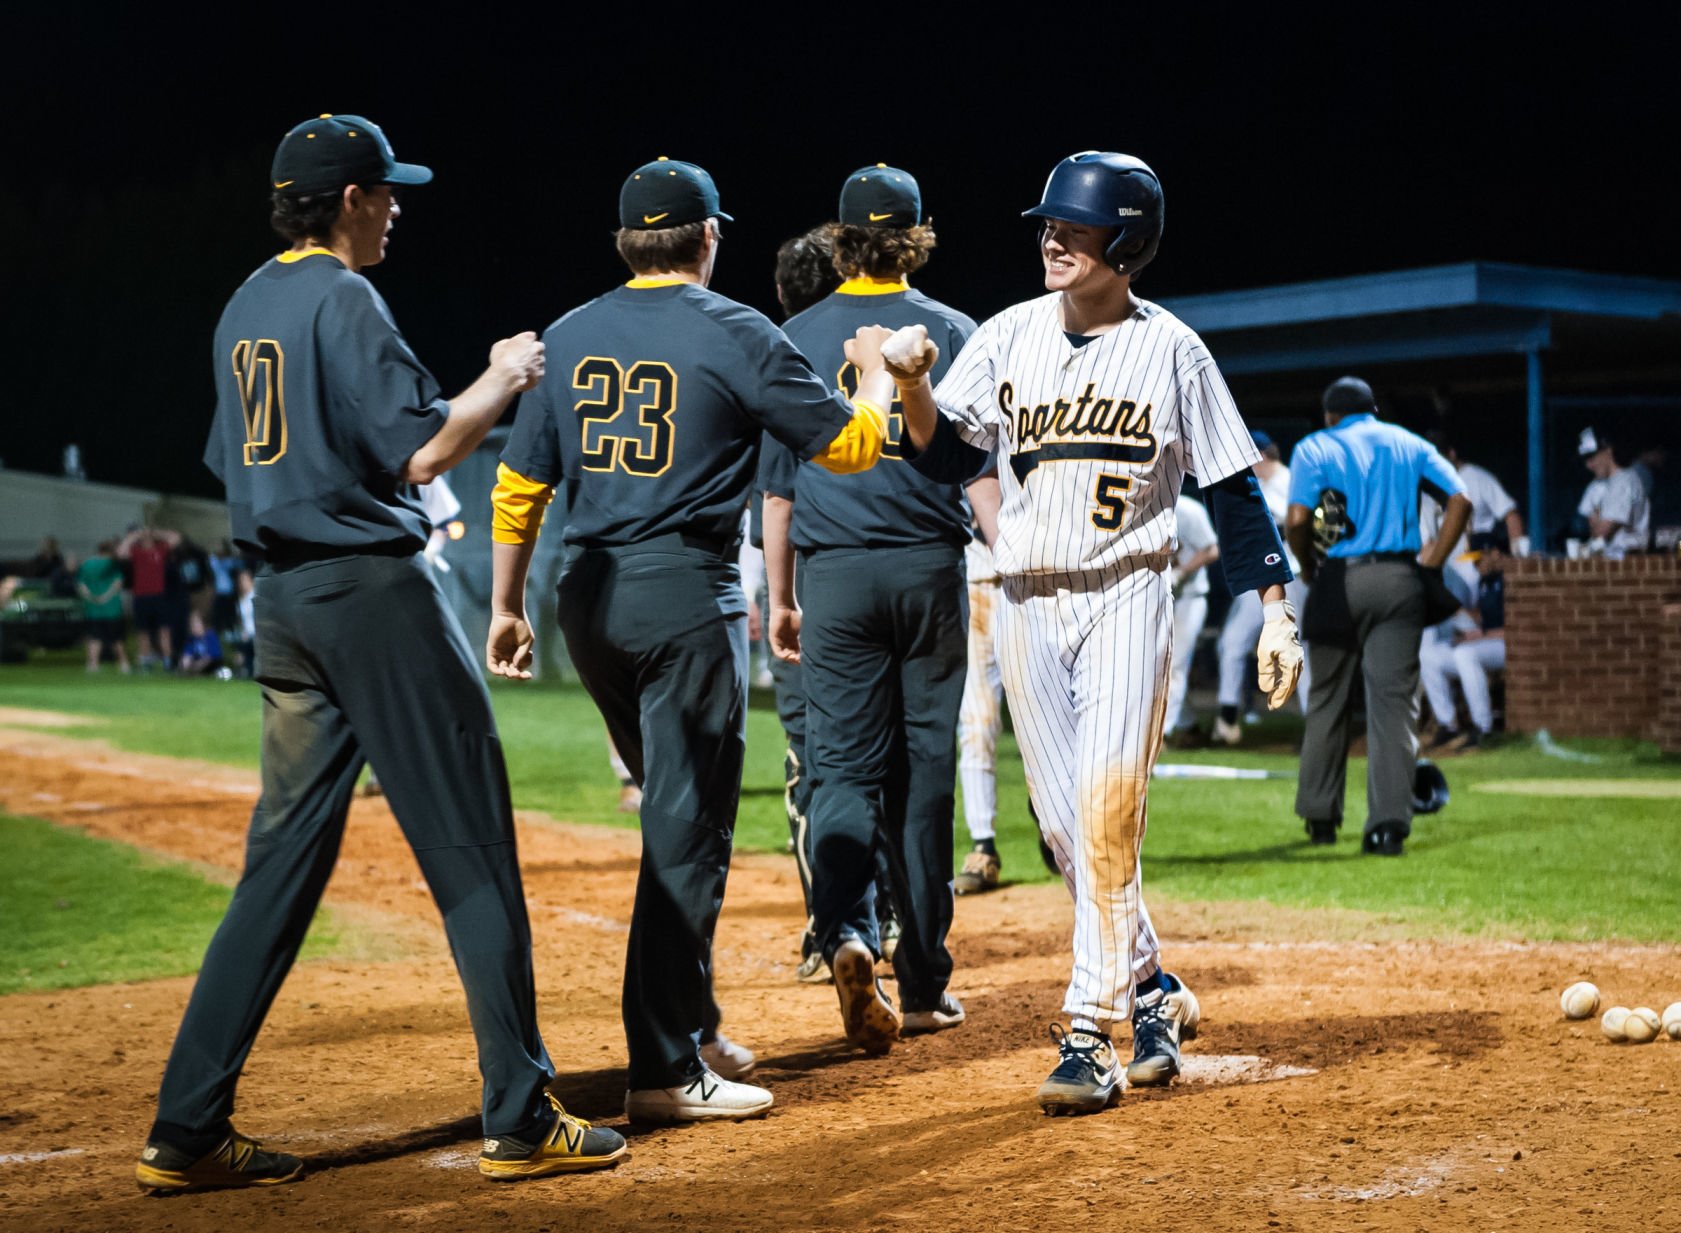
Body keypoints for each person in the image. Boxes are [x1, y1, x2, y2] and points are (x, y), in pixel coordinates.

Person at [136, 113, 625, 1195]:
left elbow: (240, 459)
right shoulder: (340, 295)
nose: (396, 206)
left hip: (287, 606)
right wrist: (502, 374)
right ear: (347, 199)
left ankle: (187, 1128)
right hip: (370, 594)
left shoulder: (244, 303)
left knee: (277, 871)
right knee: (471, 848)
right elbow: (423, 449)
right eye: (385, 191)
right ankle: (520, 1113)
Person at [888, 151, 1303, 1113]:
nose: (1051, 239)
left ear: (1126, 243)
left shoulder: (1171, 349)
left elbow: (1235, 489)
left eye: (1071, 228)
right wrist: (911, 387)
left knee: (1108, 812)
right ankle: (1154, 991)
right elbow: (948, 454)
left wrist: (1273, 610)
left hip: (1127, 593)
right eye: (1048, 225)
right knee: (1067, 832)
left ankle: (1088, 1033)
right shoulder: (1006, 335)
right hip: (1027, 596)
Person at [487, 157, 895, 1123]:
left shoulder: (571, 332)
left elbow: (518, 487)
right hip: (681, 594)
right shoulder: (735, 329)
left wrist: (506, 606)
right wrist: (875, 374)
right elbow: (848, 446)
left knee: (672, 815)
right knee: (689, 829)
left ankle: (694, 1020)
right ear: (707, 238)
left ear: (628, 243)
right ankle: (664, 1068)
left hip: (584, 598)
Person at [761, 164, 982, 1051]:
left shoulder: (794, 334)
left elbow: (777, 490)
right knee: (926, 778)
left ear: (840, 238)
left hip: (834, 571)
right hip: (929, 566)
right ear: (917, 233)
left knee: (842, 770)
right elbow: (975, 463)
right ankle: (923, 978)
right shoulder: (959, 331)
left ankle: (844, 932)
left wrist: (780, 598)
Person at [1285, 376, 1472, 857]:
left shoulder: (1315, 446)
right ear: (1372, 410)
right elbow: (1461, 500)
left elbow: (1299, 521)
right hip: (1400, 578)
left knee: (1328, 699)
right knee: (1394, 706)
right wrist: (1432, 563)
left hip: (1338, 578)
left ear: (1330, 414)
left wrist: (1308, 569)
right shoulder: (1408, 442)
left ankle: (1320, 818)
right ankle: (1388, 826)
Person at [1210, 431, 1311, 743]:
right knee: (1232, 643)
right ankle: (1227, 719)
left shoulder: (1288, 480)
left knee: (1298, 648)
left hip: (1291, 575)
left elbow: (1295, 525)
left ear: (1260, 455)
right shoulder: (1260, 485)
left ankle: (1314, 725)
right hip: (1263, 578)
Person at [953, 466, 1005, 895]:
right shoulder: (950, 416)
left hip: (1034, 583)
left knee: (1047, 720)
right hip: (973, 583)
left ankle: (1053, 821)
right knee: (977, 721)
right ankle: (983, 845)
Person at [1419, 531, 1507, 750]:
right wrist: (1466, 625)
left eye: (1479, 559)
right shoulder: (1486, 582)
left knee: (1465, 654)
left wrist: (1482, 635)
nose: (1476, 565)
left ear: (1495, 552)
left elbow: (1521, 629)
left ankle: (1483, 727)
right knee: (1429, 656)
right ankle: (1448, 724)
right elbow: (1484, 618)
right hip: (1489, 643)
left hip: (1510, 646)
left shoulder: (1512, 578)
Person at [1419, 430, 1527, 592]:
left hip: (1476, 561)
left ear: (1451, 454)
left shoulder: (1476, 477)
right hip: (1447, 563)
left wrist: (1517, 561)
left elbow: (1511, 515)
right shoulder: (1432, 488)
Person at [1163, 494, 1219, 739]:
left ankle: (1162, 733)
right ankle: (1186, 724)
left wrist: (1182, 572)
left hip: (1190, 597)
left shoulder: (1187, 510)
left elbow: (1212, 549)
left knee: (1174, 666)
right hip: (1156, 597)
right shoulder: (1140, 504)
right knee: (1156, 666)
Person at [1576, 427, 1650, 558]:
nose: (1589, 465)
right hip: (1605, 559)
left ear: (1608, 451)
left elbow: (1602, 532)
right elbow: (1594, 533)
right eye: (1585, 460)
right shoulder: (1594, 486)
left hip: (1630, 562)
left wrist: (1598, 519)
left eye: (1592, 457)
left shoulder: (1626, 480)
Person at [119, 525, 179, 670]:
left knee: (164, 630)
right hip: (141, 597)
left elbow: (176, 537)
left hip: (159, 596)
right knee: (142, 631)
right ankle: (145, 661)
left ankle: (168, 661)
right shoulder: (136, 552)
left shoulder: (160, 549)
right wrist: (135, 535)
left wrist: (156, 531)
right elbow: (121, 552)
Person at [76, 539, 130, 674]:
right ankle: (123, 664)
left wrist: (92, 598)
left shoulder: (86, 564)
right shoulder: (112, 565)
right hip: (112, 609)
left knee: (94, 637)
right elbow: (117, 584)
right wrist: (104, 598)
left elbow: (81, 586)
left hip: (92, 609)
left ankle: (93, 664)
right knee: (116, 639)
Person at [176, 612, 224, 676]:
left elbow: (211, 656)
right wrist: (184, 665)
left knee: (210, 662)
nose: (193, 626)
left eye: (196, 623)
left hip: (212, 664)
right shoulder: (191, 639)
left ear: (203, 624)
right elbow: (187, 655)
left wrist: (196, 667)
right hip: (196, 662)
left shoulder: (210, 636)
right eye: (191, 624)